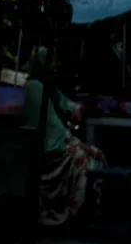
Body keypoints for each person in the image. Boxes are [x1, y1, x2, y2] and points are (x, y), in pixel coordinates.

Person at [23, 47, 107, 227]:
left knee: (97, 154)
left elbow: (64, 103)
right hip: (49, 149)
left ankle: (95, 208)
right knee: (85, 158)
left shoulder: (47, 85)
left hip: (56, 142)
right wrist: (78, 143)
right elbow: (53, 128)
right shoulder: (34, 88)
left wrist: (76, 108)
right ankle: (73, 214)